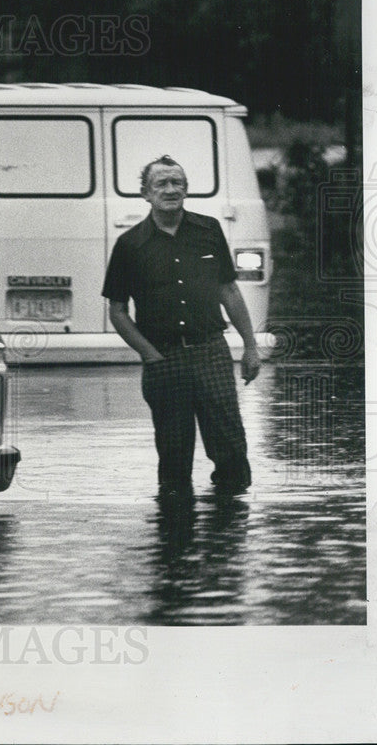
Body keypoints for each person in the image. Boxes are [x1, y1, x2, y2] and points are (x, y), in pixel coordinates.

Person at [101, 155, 261, 497]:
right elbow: (117, 311)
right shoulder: (130, 245)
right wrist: (149, 355)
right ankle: (175, 541)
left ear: (186, 190)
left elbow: (229, 290)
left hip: (211, 352)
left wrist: (250, 347)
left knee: (232, 452)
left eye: (178, 183)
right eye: (162, 184)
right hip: (164, 358)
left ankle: (228, 541)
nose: (170, 190)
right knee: (174, 463)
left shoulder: (209, 230)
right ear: (145, 193)